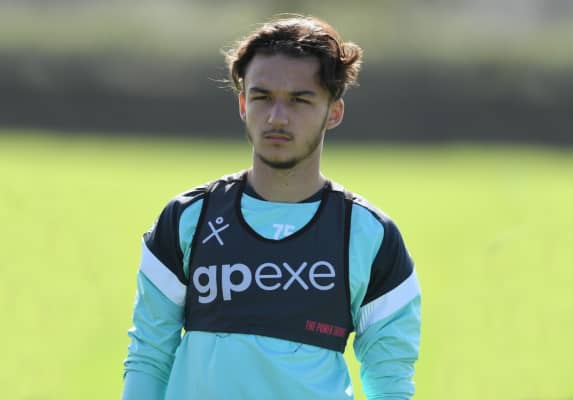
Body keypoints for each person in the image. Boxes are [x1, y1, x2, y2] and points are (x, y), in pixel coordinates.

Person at [122, 15, 421, 400]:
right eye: (262, 97)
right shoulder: (187, 219)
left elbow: (391, 379)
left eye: (300, 100)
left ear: (333, 111)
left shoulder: (369, 235)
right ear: (243, 103)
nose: (277, 117)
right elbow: (149, 357)